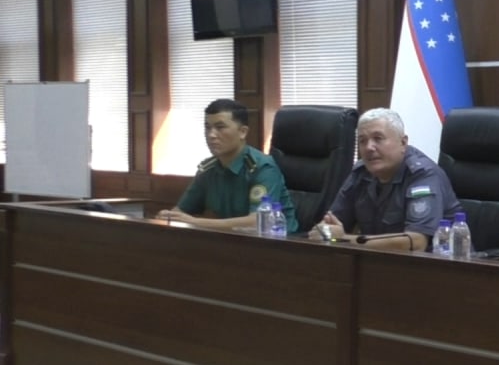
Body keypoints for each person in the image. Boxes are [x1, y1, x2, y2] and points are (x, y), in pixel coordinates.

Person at [311, 108, 461, 252]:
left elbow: (416, 243)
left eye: (378, 138)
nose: (369, 147)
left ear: (403, 143)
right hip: (377, 263)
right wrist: (324, 231)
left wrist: (344, 239)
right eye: (362, 141)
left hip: (436, 266)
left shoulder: (422, 175)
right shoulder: (360, 172)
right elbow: (330, 223)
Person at [158, 98, 298, 232]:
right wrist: (169, 217)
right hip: (232, 242)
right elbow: (182, 211)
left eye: (220, 127)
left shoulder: (262, 168)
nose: (211, 135)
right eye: (208, 127)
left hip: (281, 243)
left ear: (242, 132)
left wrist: (195, 222)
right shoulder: (208, 169)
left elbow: (258, 222)